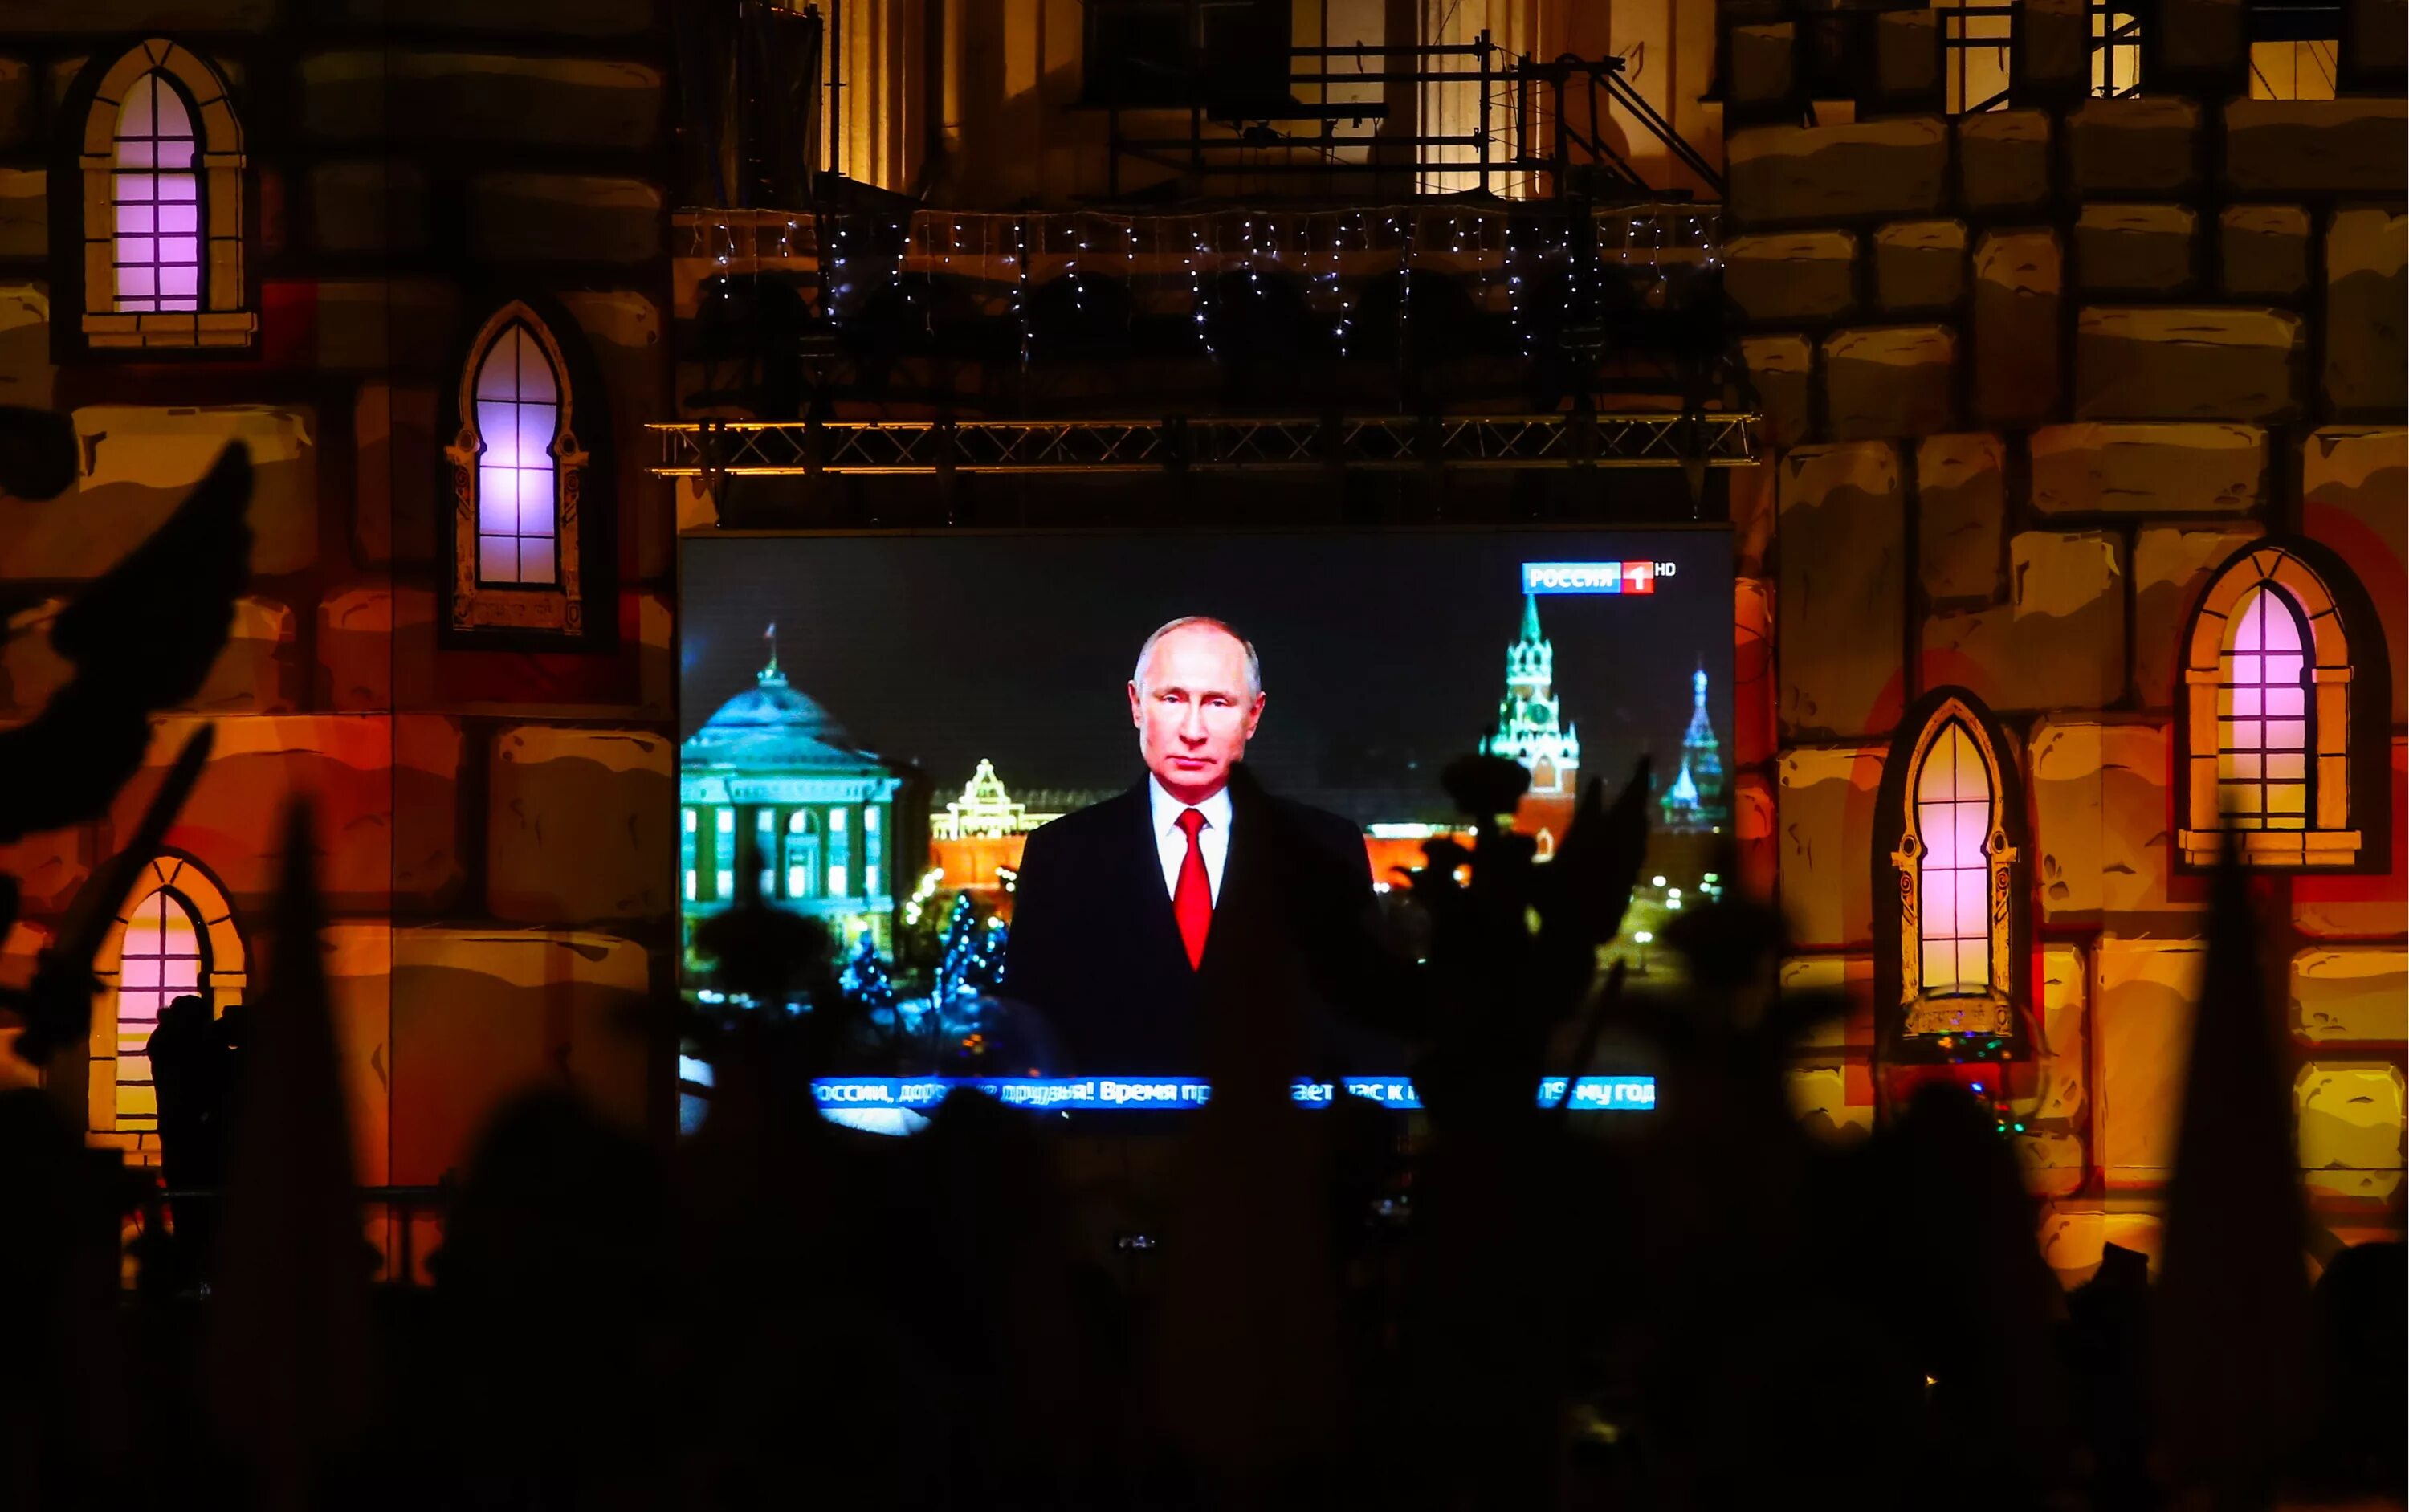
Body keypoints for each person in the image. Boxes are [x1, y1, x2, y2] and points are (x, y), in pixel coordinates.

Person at [1004, 616, 1387, 1077]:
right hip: (1108, 1144)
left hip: (1280, 1142)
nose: (1193, 730)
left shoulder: (1325, 848)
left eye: (1218, 702)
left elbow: (1366, 1036)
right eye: (1172, 698)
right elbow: (1027, 1040)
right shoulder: (1059, 855)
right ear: (1136, 705)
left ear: (1254, 716)